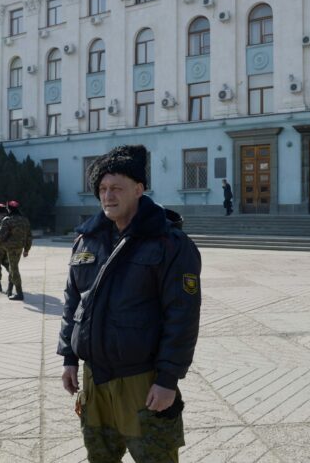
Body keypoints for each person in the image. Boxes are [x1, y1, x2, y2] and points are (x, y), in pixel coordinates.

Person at [57, 144, 202, 462]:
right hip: (94, 383)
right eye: (102, 189)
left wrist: (167, 380)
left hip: (142, 382)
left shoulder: (169, 243)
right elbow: (72, 302)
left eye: (117, 188)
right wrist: (69, 356)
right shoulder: (86, 240)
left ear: (139, 189)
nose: (108, 196)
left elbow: (182, 316)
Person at [0, 200, 32, 301]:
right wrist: (26, 249)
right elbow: (29, 235)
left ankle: (19, 293)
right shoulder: (24, 220)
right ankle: (10, 289)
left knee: (14, 269)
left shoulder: (7, 220)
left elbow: (1, 235)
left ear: (9, 209)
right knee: (13, 267)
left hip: (10, 248)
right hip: (20, 247)